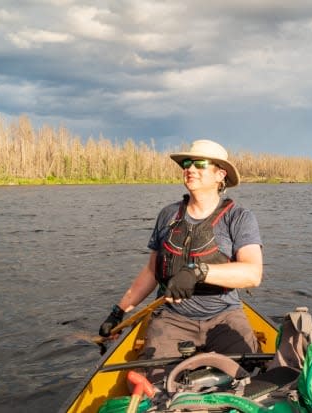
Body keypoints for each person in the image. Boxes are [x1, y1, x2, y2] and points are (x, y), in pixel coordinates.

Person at [98, 139, 263, 364]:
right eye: (187, 163)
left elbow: (252, 273)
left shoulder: (240, 218)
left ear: (220, 175)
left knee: (246, 375)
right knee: (156, 381)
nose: (190, 169)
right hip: (173, 318)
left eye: (199, 164)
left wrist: (198, 272)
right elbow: (150, 272)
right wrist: (118, 312)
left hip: (224, 317)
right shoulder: (168, 215)